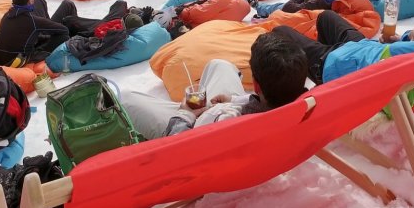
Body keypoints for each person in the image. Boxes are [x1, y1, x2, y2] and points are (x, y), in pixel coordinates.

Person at [120, 32, 308, 139]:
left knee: (126, 99)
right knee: (220, 64)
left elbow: (181, 147)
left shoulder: (227, 123)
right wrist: (233, 100)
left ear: (257, 86)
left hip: (192, 130)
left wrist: (186, 113)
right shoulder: (304, 106)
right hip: (229, 114)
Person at [273, 10, 414, 85]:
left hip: (335, 65)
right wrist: (404, 40)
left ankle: (312, 75)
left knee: (280, 31)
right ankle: (315, 50)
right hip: (361, 48)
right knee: (326, 16)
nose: (410, 38)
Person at [0, 0, 71, 66]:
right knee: (67, 6)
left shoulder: (7, 15)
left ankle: (46, 31)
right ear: (29, 0)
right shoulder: (33, 21)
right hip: (21, 58)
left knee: (40, 0)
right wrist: (47, 35)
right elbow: (64, 30)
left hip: (1, 58)